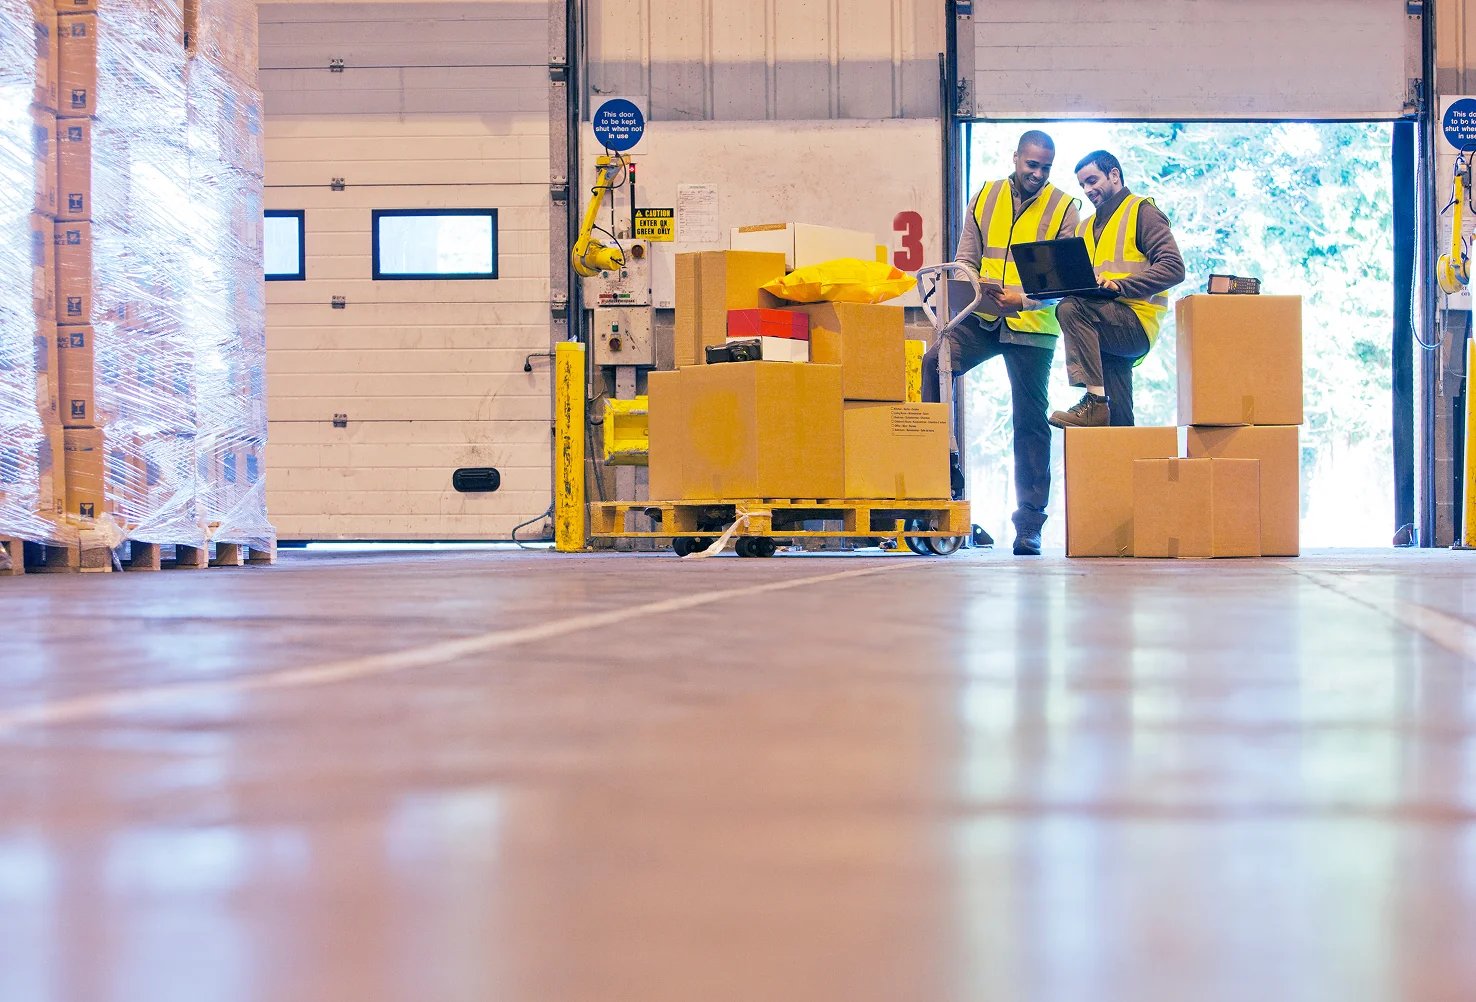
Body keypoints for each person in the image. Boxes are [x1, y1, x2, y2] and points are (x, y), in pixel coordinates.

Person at [922, 130, 1080, 556]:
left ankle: (1029, 525)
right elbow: (965, 260)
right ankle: (937, 483)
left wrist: (1022, 300)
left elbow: (1064, 280)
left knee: (1029, 422)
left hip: (1032, 326)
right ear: (1016, 158)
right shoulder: (986, 196)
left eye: (1046, 167)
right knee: (934, 363)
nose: (1038, 173)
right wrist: (975, 288)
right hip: (982, 317)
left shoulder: (1065, 207)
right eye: (1032, 164)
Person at [1048, 150, 1185, 428]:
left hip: (1134, 322)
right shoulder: (1083, 228)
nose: (1087, 190)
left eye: (1092, 180)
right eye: (1082, 185)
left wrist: (1120, 285)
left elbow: (1174, 267)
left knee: (1070, 308)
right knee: (1118, 421)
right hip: (1100, 323)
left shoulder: (1141, 212)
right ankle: (1108, 423)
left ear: (1114, 175)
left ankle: (1094, 402)